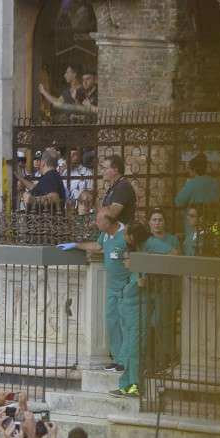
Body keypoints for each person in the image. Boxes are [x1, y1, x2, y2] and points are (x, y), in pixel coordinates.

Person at [60, 211, 138, 396]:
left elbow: (133, 256)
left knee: (127, 325)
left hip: (126, 287)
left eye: (98, 220)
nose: (95, 222)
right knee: (112, 322)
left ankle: (125, 362)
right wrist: (77, 245)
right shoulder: (105, 235)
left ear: (109, 221)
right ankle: (119, 360)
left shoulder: (125, 234)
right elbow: (98, 245)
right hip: (111, 287)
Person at [99, 154, 136, 225]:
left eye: (105, 168)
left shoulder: (122, 187)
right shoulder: (115, 186)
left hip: (122, 233)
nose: (102, 171)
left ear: (115, 170)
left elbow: (112, 214)